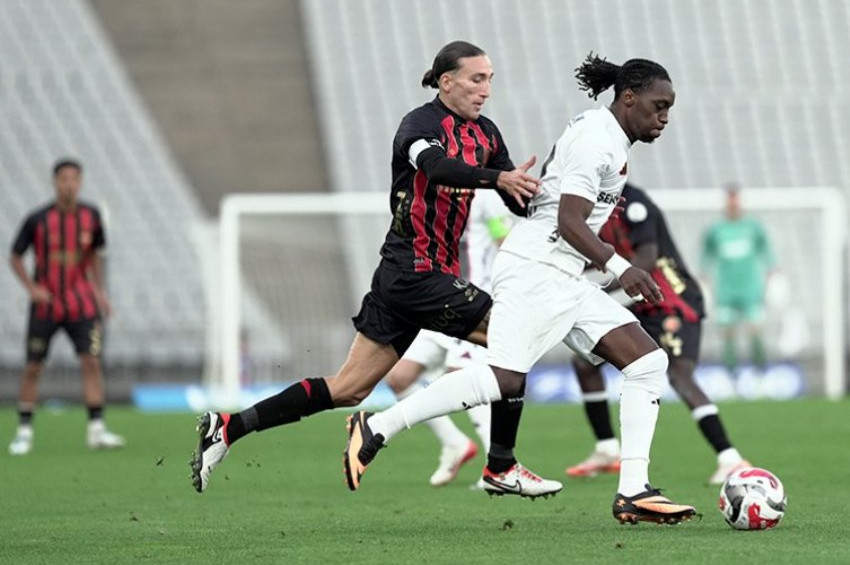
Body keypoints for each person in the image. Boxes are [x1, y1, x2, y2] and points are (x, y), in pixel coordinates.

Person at [190, 40, 560, 498]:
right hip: (415, 272)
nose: (486, 89)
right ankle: (501, 466)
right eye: (476, 78)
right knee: (513, 339)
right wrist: (496, 178)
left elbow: (512, 196)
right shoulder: (419, 125)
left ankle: (227, 428)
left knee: (348, 388)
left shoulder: (486, 134)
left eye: (490, 80)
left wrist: (543, 195)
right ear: (447, 82)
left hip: (406, 278)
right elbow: (437, 167)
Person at [347, 53, 699, 525]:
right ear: (628, 97)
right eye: (659, 105)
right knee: (504, 379)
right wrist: (621, 268)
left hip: (562, 273)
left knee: (646, 362)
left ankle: (633, 490)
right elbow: (568, 221)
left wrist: (596, 269)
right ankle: (379, 425)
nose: (665, 117)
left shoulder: (607, 135)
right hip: (538, 268)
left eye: (670, 108)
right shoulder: (598, 141)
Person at [565, 182, 750, 485]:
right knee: (585, 362)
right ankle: (607, 448)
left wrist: (600, 295)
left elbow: (646, 259)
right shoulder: (582, 206)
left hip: (670, 300)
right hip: (635, 303)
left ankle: (730, 458)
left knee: (680, 376)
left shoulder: (633, 203)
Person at [384, 189, 511, 488]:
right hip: (438, 298)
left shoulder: (485, 196)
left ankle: (499, 468)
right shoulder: (433, 194)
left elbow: (504, 241)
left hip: (472, 302)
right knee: (399, 378)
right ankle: (455, 443)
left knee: (461, 377)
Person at [8, 159, 125, 455]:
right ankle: (24, 432)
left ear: (81, 182)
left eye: (74, 179)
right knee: (33, 366)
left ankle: (96, 430)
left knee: (92, 361)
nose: (69, 184)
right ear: (55, 182)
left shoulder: (92, 216)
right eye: (64, 179)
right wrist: (32, 289)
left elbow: (96, 254)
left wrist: (99, 293)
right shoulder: (37, 220)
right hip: (46, 305)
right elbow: (15, 256)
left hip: (82, 305)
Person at [700, 185, 776, 374]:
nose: (733, 203)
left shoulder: (752, 226)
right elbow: (706, 255)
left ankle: (761, 372)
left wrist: (773, 270)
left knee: (755, 330)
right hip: (726, 290)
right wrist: (703, 276)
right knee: (727, 333)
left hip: (751, 289)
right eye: (730, 199)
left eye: (735, 199)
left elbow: (766, 250)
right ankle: (732, 375)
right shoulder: (716, 229)